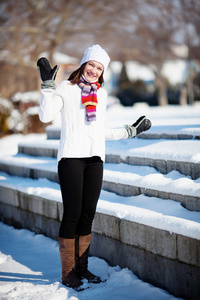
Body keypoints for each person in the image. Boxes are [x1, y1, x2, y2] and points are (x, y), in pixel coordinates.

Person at [37, 44, 151, 291]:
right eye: (92, 65)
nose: (94, 71)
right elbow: (45, 117)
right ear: (84, 64)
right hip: (71, 159)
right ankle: (68, 273)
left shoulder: (100, 94)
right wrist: (47, 85)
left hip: (94, 159)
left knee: (88, 214)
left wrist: (130, 131)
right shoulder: (66, 89)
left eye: (99, 68)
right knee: (72, 214)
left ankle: (81, 269)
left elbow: (99, 131)